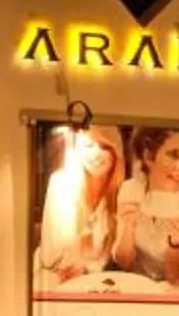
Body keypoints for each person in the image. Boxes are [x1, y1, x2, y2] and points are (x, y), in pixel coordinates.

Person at [35, 122, 125, 287]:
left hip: (93, 284)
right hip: (52, 281)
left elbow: (112, 260)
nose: (97, 153)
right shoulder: (62, 183)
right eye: (89, 145)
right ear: (77, 149)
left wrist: (87, 271)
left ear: (115, 153)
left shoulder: (118, 195)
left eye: (105, 146)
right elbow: (51, 258)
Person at [113, 126, 179, 288]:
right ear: (148, 157)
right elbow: (123, 262)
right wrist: (128, 228)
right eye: (174, 155)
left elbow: (174, 277)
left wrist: (176, 244)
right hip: (134, 286)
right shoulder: (131, 190)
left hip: (172, 291)